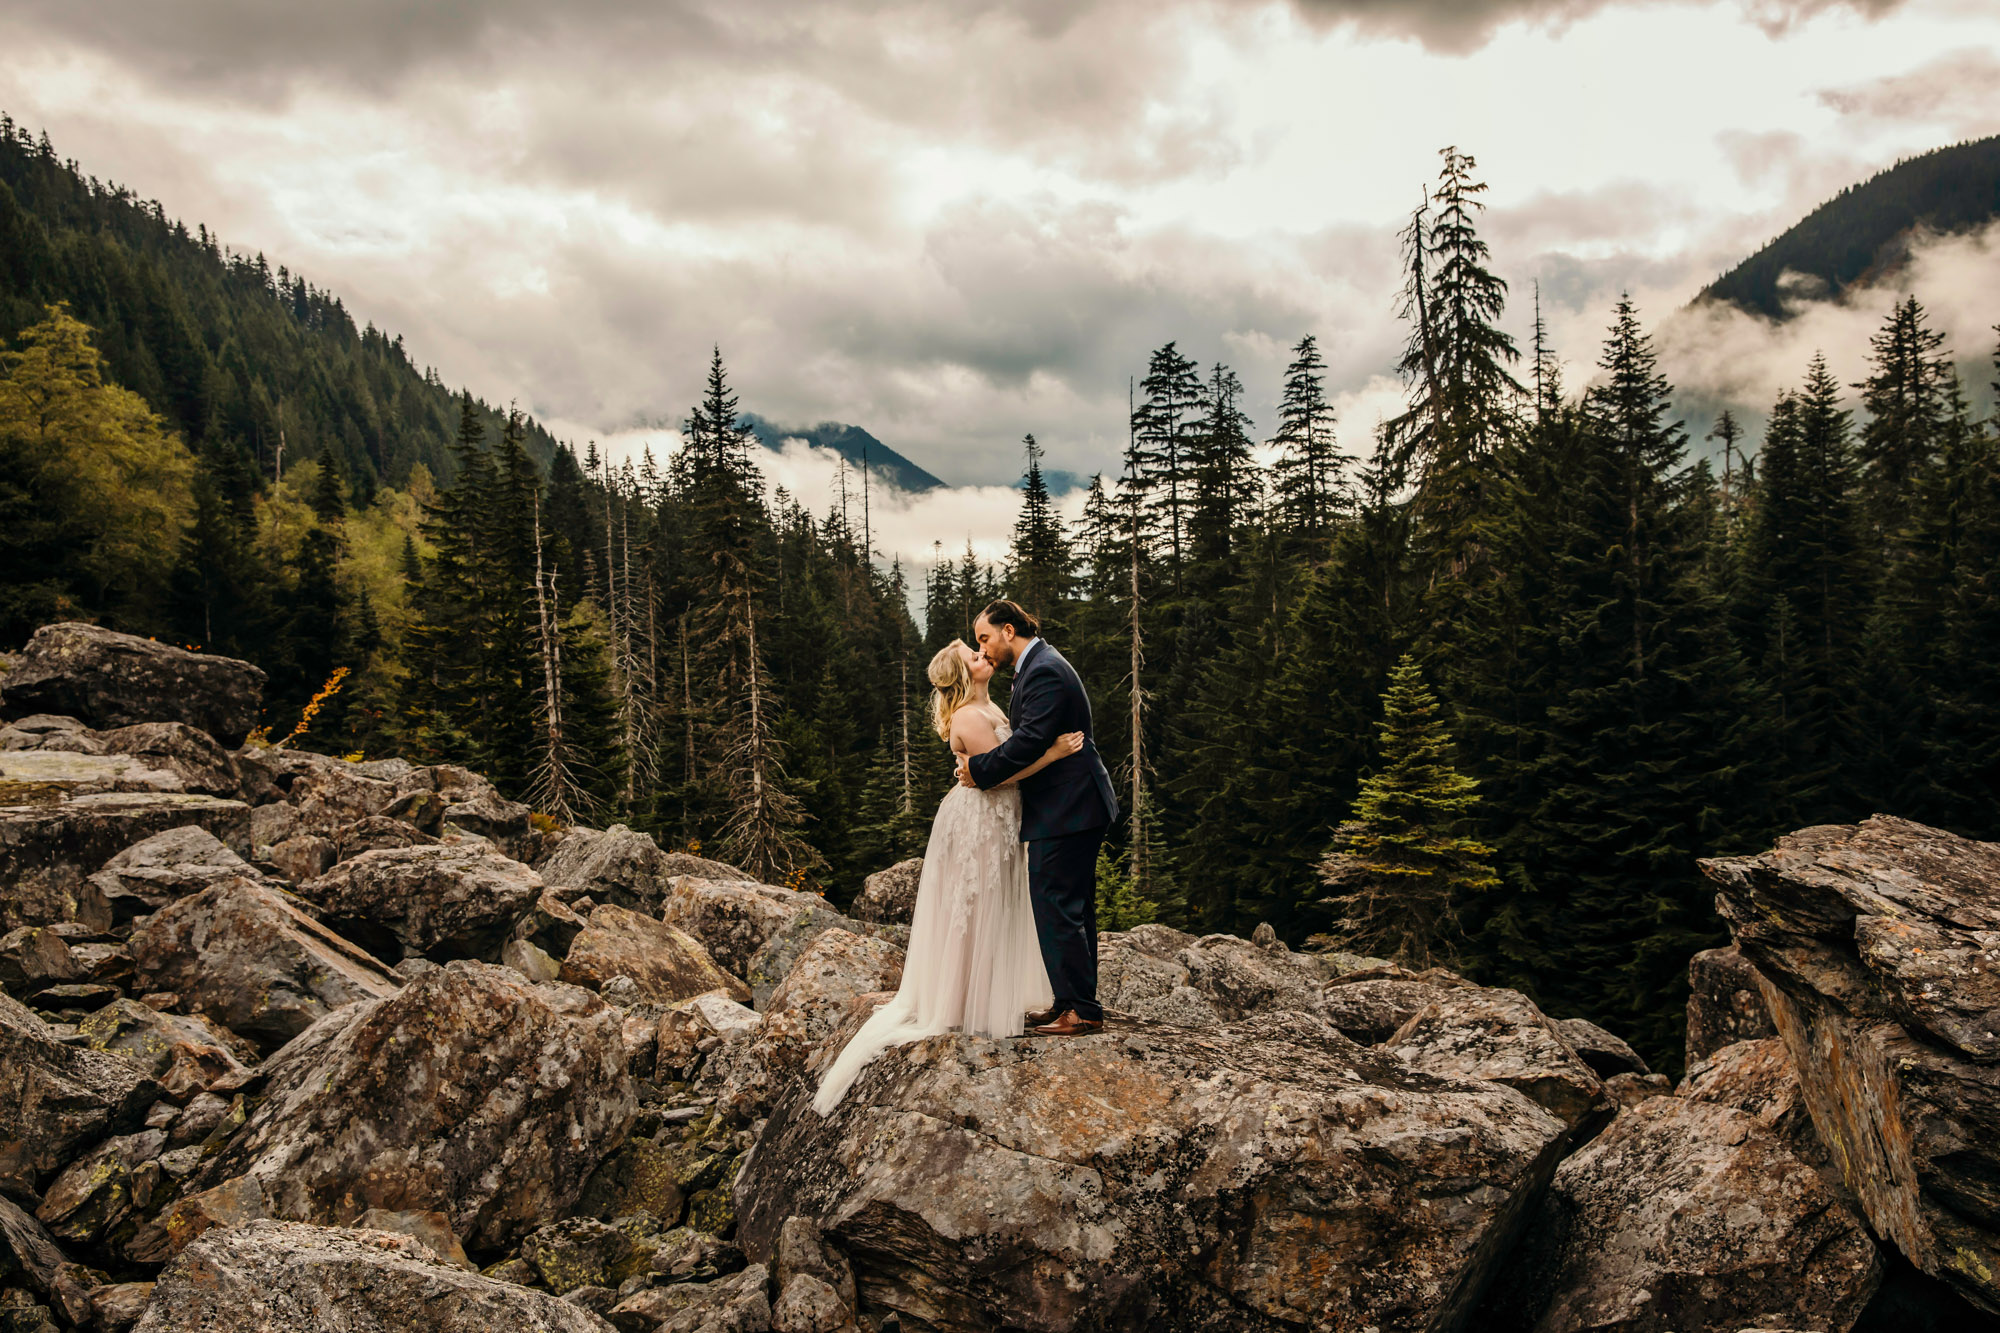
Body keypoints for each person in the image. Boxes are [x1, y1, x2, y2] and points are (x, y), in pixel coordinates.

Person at [812, 636, 1082, 1114]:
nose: (985, 657)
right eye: (975, 658)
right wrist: (1056, 754)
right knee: (974, 904)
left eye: (983, 650)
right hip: (980, 820)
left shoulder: (986, 704)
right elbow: (1002, 773)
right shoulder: (969, 717)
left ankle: (979, 991)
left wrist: (963, 645)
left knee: (991, 902)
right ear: (963, 677)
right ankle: (961, 1000)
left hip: (996, 818)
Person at [959, 599, 1119, 1037]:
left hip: (1070, 807)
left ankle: (1082, 1011)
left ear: (1008, 631)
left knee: (1058, 907)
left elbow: (1030, 740)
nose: (984, 648)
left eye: (985, 638)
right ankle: (1070, 1001)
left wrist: (980, 769)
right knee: (1071, 907)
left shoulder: (1045, 668)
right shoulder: (1038, 665)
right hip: (1070, 805)